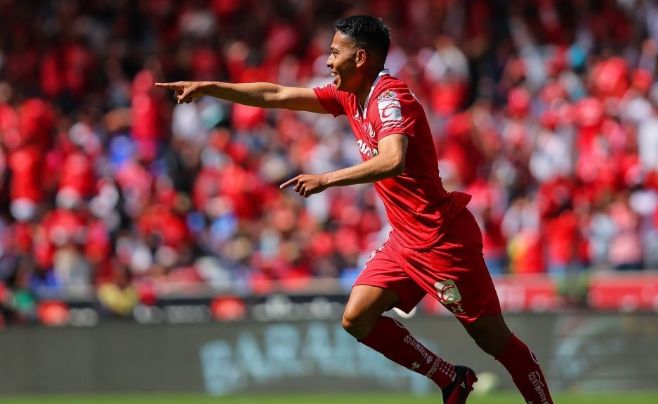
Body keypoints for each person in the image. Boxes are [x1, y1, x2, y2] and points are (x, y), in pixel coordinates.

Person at [157, 15, 553, 404]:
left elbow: (392, 159)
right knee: (356, 317)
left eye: (334, 53)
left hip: (441, 239)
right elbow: (276, 95)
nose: (328, 62)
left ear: (360, 58)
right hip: (404, 240)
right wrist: (211, 87)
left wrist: (327, 179)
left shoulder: (391, 100)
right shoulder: (350, 96)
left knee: (494, 341)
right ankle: (451, 379)